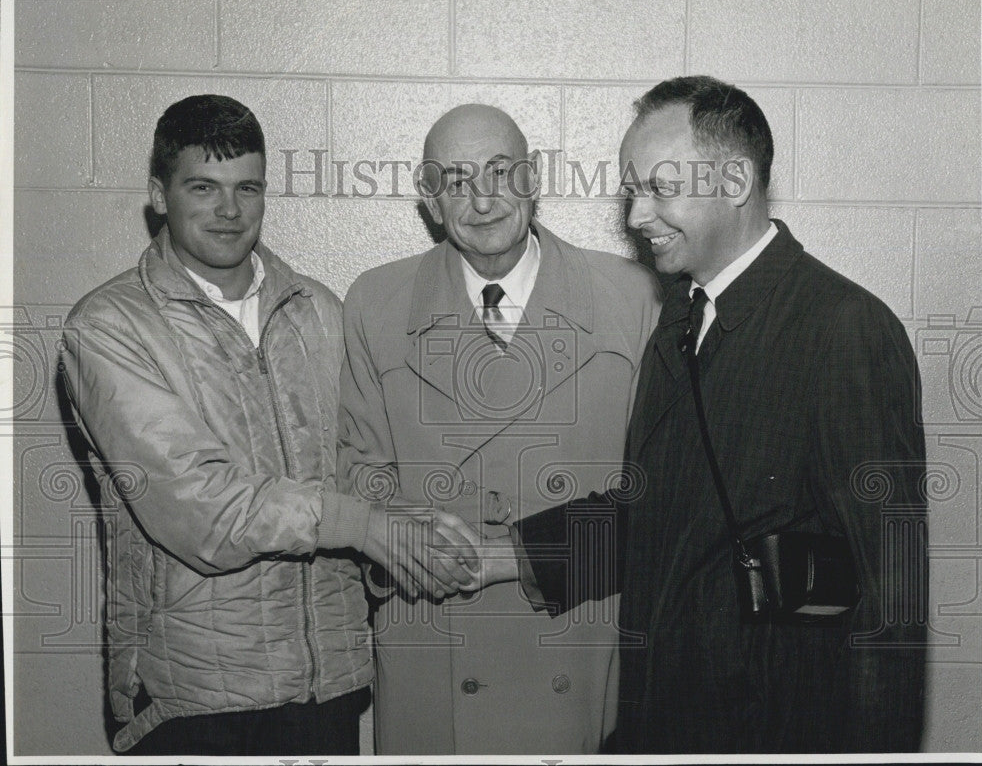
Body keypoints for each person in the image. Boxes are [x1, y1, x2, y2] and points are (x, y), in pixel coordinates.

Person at [470, 76, 928, 753]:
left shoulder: (844, 329)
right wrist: (503, 555)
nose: (635, 216)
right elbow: (654, 516)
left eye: (659, 187)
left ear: (736, 180)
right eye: (633, 191)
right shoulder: (681, 321)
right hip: (664, 724)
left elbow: (891, 612)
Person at [60, 94, 478, 755]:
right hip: (193, 700)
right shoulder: (108, 327)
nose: (230, 210)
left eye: (247, 188)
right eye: (204, 187)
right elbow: (203, 510)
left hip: (328, 688)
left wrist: (412, 536)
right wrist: (368, 527)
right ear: (158, 195)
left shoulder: (322, 311)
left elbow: (359, 470)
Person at [337, 103, 662, 754]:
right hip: (435, 640)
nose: (482, 200)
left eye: (500, 172)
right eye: (456, 181)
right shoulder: (375, 302)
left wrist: (517, 556)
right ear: (430, 199)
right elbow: (359, 472)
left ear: (534, 177)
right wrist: (402, 543)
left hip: (579, 631)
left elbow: (659, 503)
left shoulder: (634, 298)